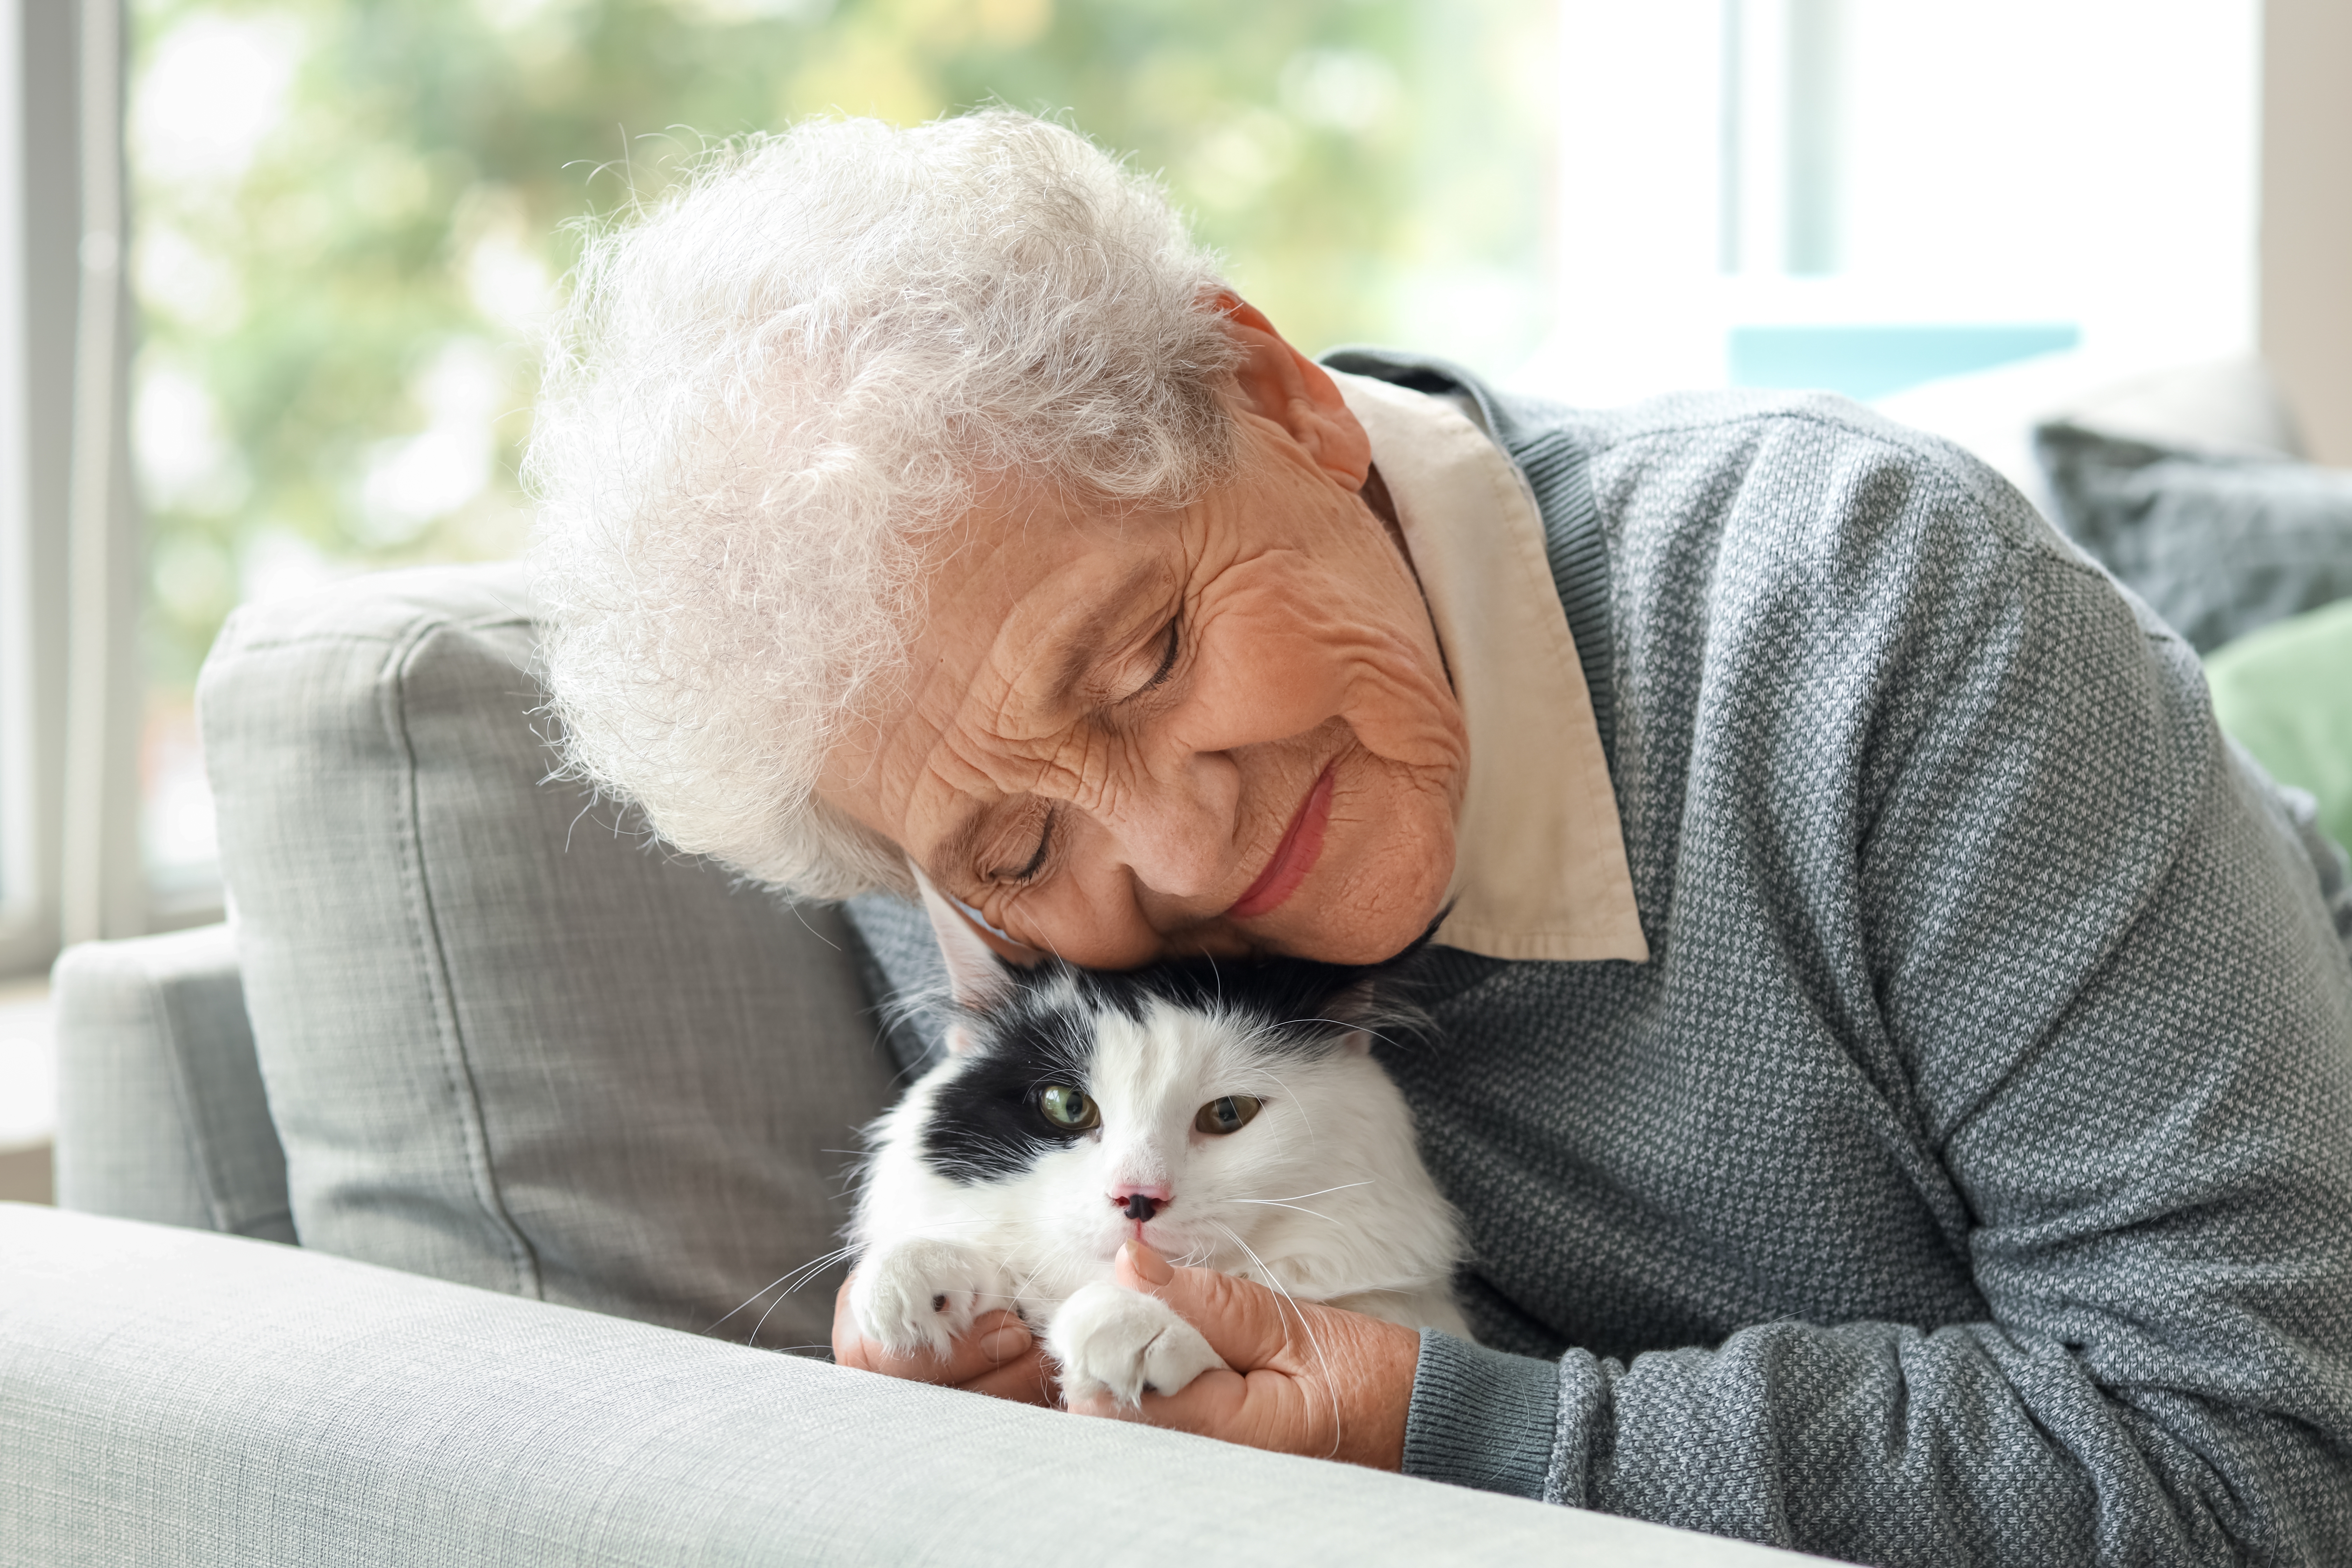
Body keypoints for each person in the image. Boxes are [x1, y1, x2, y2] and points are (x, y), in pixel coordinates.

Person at [527, 110, 2352, 1564]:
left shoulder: (1891, 612)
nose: (1174, 845)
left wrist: (1433, 1424)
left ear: (1282, 403)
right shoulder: (967, 874)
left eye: (1153, 653)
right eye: (1013, 846)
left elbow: (2266, 1465)